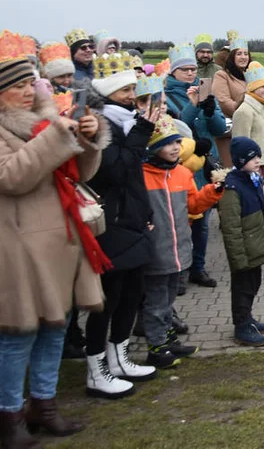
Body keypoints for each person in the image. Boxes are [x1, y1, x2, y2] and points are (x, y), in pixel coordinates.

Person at [0, 37, 108, 443]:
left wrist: (87, 138)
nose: (30, 92)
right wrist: (56, 137)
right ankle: (9, 416)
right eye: (19, 86)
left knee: (55, 328)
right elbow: (11, 176)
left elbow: (80, 174)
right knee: (17, 335)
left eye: (31, 84)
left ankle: (44, 406)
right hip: (18, 248)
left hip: (60, 241)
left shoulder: (46, 121)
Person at [85, 51, 159, 396]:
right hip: (112, 221)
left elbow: (135, 177)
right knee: (109, 298)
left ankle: (120, 356)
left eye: (133, 89)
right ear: (107, 93)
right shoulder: (103, 125)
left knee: (132, 292)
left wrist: (146, 213)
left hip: (132, 218)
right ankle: (96, 368)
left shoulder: (126, 123)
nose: (132, 97)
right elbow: (115, 171)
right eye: (125, 91)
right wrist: (143, 130)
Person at [139, 115, 222, 368]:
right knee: (155, 303)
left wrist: (211, 192)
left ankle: (168, 339)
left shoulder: (183, 173)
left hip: (180, 249)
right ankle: (156, 347)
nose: (176, 147)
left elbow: (194, 205)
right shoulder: (141, 176)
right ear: (153, 147)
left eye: (177, 142)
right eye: (168, 143)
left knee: (168, 301)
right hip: (155, 250)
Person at [162, 43, 227, 289]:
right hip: (179, 168)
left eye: (192, 69)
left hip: (203, 167)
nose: (191, 73)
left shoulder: (204, 91)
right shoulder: (166, 96)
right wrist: (193, 105)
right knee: (180, 226)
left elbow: (220, 130)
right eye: (185, 70)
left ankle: (198, 268)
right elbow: (174, 128)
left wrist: (210, 111)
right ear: (173, 73)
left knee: (202, 223)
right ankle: (179, 272)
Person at [218, 137, 264, 348]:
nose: (258, 160)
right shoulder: (231, 188)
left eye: (258, 156)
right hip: (243, 249)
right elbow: (231, 228)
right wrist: (237, 257)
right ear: (240, 160)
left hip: (253, 245)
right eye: (252, 158)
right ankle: (241, 325)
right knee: (243, 287)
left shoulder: (251, 178)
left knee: (253, 283)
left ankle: (247, 318)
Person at [230, 62, 264, 178]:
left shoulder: (263, 108)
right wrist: (245, 167)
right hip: (250, 166)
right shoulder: (244, 111)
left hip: (261, 162)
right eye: (263, 86)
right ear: (253, 88)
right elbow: (240, 143)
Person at [211, 34, 250, 122]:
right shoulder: (222, 75)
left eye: (246, 54)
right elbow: (223, 101)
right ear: (232, 57)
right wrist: (245, 112)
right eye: (239, 54)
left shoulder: (252, 76)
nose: (243, 57)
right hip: (234, 123)